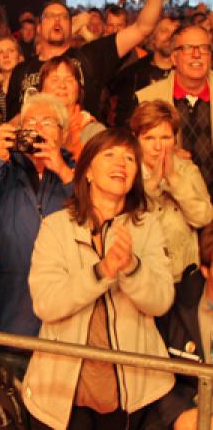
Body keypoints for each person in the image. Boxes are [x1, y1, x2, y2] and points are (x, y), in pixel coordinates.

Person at [24, 129, 175, 430]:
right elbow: (46, 304)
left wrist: (131, 266)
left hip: (134, 394)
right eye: (109, 155)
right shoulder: (56, 227)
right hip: (61, 394)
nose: (121, 163)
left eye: (130, 158)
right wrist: (101, 272)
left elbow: (161, 301)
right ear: (88, 171)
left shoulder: (147, 227)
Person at [0, 92, 74, 378]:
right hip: (9, 317)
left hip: (65, 323)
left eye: (47, 122)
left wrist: (62, 171)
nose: (37, 129)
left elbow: (96, 215)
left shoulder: (77, 173)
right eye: (30, 122)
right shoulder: (1, 170)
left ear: (64, 132)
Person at [6, 0, 173, 122]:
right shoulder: (22, 71)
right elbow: (11, 122)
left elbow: (142, 28)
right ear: (39, 28)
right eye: (50, 16)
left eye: (64, 17)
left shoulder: (91, 56)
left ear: (71, 27)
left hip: (83, 143)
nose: (57, 20)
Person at [129, 100, 212, 281]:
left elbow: (204, 217)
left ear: (175, 139)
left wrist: (174, 179)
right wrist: (150, 185)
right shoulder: (127, 170)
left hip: (186, 275)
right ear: (136, 138)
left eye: (165, 138)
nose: (158, 147)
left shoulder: (187, 170)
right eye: (149, 138)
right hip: (144, 274)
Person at [136, 25, 213, 195]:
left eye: (204, 48)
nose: (196, 54)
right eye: (187, 48)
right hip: (168, 203)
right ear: (174, 58)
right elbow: (134, 152)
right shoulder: (148, 99)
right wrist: (161, 153)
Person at [155, 223, 213, 430]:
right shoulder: (174, 306)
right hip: (190, 415)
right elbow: (154, 373)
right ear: (205, 270)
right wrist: (178, 413)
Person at [39, 55, 106, 160]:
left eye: (69, 80)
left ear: (79, 91)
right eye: (55, 80)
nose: (62, 85)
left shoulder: (94, 132)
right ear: (41, 90)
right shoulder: (30, 127)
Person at [0, 37, 23, 119]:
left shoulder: (27, 84)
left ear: (20, 58)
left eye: (11, 51)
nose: (5, 56)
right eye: (0, 52)